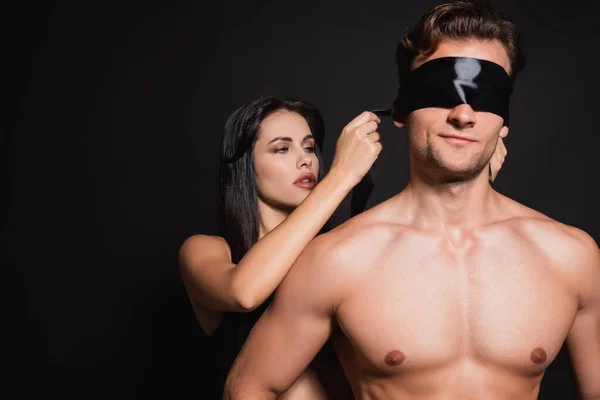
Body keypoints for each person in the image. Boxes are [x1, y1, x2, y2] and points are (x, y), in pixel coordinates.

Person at [223, 1, 600, 399]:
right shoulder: (335, 260)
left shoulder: (570, 256)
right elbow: (248, 388)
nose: (464, 113)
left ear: (503, 120)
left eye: (487, 94)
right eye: (441, 90)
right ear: (401, 111)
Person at [178, 95, 508, 397]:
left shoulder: (337, 256)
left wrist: (470, 185)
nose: (305, 160)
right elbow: (244, 292)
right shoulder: (205, 250)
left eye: (309, 148)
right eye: (282, 149)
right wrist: (341, 176)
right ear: (244, 164)